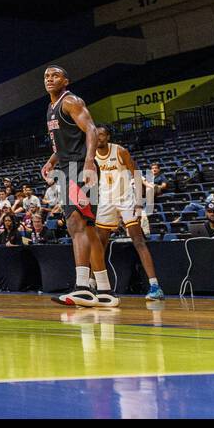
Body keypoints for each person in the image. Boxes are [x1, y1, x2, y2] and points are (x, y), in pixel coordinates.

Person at [41, 66, 117, 308]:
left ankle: (83, 288)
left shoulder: (71, 101)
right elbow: (64, 142)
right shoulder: (51, 108)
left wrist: (88, 163)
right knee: (89, 229)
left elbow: (92, 130)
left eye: (54, 76)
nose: (49, 79)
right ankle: (105, 291)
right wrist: (52, 160)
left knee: (76, 224)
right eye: (46, 76)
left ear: (65, 80)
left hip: (77, 169)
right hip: (66, 168)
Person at [92, 126, 164, 300]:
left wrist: (139, 205)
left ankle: (155, 286)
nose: (98, 138)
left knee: (138, 241)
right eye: (96, 135)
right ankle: (93, 284)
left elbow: (137, 174)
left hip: (126, 199)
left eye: (101, 135)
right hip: (106, 201)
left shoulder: (120, 151)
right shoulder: (91, 154)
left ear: (108, 136)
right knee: (99, 244)